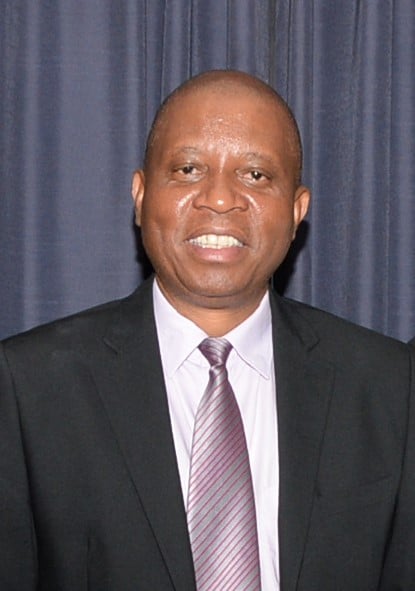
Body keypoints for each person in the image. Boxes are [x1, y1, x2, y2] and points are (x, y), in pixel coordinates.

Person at [0, 70, 414, 591]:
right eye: (189, 169)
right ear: (140, 195)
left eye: (256, 175)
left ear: (297, 211)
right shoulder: (26, 389)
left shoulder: (390, 386)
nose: (219, 199)